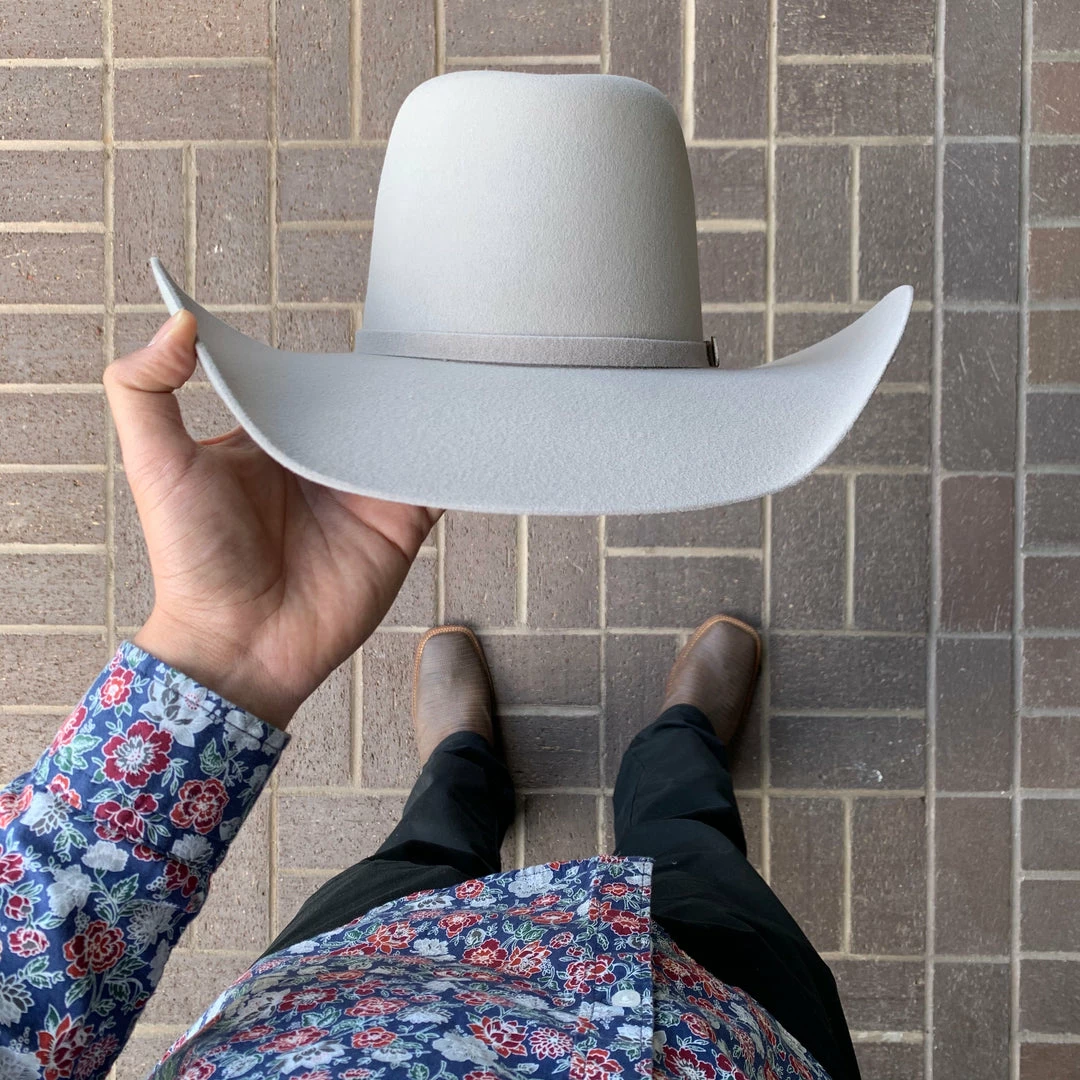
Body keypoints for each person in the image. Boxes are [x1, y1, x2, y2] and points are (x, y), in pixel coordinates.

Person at [0, 313, 861, 1080]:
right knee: (692, 844)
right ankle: (680, 741)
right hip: (719, 1031)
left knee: (425, 847)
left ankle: (465, 764)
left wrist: (226, 651)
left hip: (358, 988)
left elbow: (31, 963)